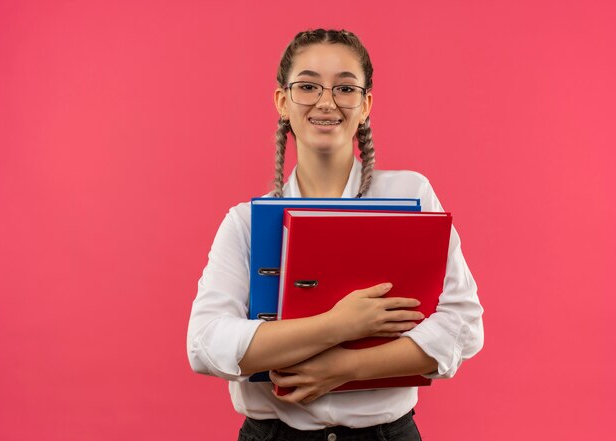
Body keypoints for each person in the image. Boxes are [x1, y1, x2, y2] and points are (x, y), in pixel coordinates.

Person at [187, 28, 484, 441]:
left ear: (365, 105)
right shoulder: (245, 222)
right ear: (282, 101)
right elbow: (205, 344)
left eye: (345, 88)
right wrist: (338, 325)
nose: (326, 102)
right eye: (307, 86)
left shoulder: (411, 196)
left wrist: (345, 368)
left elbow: (463, 325)